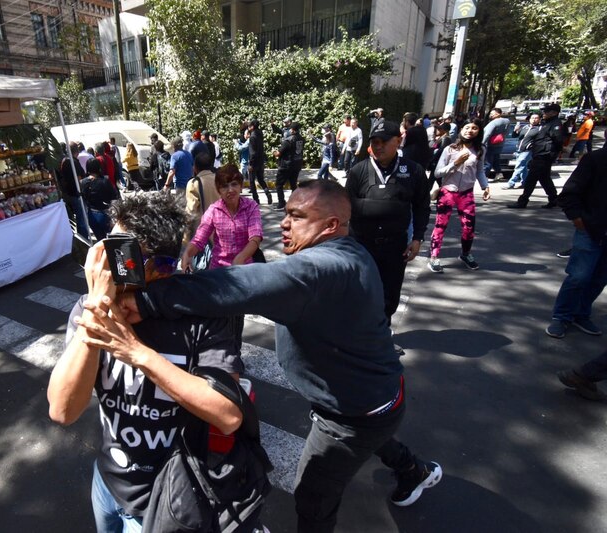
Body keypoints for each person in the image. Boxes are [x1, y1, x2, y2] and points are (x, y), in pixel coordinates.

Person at [115, 180, 442, 530]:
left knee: (313, 499)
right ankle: (414, 470)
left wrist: (147, 299)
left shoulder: (320, 270)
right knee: (376, 437)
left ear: (331, 225)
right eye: (286, 213)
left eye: (297, 216)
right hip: (378, 397)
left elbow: (240, 284)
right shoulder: (350, 252)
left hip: (351, 415)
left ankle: (411, 469)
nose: (284, 223)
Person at [47, 193, 244, 532]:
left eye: (118, 253)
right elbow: (63, 410)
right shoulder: (92, 307)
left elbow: (228, 415)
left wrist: (135, 352)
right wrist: (95, 309)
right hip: (107, 482)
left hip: (166, 495)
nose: (104, 262)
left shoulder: (200, 316)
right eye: (107, 246)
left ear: (156, 268)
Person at [345, 120, 431, 323]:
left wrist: (417, 238)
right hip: (361, 244)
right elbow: (345, 208)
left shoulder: (414, 171)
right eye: (374, 141)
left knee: (390, 293)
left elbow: (422, 207)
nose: (379, 146)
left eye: (384, 141)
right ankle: (359, 335)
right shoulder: (358, 171)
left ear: (399, 141)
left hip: (395, 245)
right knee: (360, 291)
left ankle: (383, 333)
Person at [544, 139, 607, 339]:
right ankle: (561, 316)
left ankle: (581, 314)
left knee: (599, 278)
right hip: (591, 230)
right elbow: (569, 195)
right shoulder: (595, 159)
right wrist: (579, 220)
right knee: (579, 276)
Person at [427, 119, 491, 273]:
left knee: (469, 227)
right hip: (448, 192)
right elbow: (437, 172)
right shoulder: (450, 148)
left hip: (466, 193)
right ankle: (434, 257)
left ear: (479, 131)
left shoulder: (480, 149)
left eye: (474, 128)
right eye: (467, 127)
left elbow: (480, 170)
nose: (470, 130)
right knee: (440, 226)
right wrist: (455, 163)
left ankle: (465, 254)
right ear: (461, 130)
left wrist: (485, 186)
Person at [182, 164, 263, 272]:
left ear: (241, 186)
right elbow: (199, 239)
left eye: (234, 184)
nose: (230, 190)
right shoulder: (214, 210)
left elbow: (255, 238)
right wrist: (187, 253)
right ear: (218, 190)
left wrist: (241, 257)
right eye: (225, 186)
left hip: (245, 270)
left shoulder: (251, 207)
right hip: (219, 272)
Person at [508, 103, 565, 209]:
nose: (544, 113)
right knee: (544, 178)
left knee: (531, 178)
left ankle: (523, 201)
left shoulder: (555, 124)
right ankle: (554, 199)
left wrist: (551, 154)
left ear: (554, 113)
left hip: (544, 156)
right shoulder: (547, 123)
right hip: (540, 155)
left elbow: (558, 141)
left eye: (547, 111)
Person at [81, 158, 119, 240]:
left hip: (91, 215)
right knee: (112, 241)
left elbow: (83, 198)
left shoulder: (83, 182)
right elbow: (114, 198)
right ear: (99, 167)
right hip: (105, 214)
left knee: (101, 241)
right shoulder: (105, 181)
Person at [57, 142, 89, 240]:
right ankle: (84, 239)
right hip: (76, 193)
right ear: (77, 151)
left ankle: (82, 238)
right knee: (82, 219)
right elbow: (79, 179)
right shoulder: (73, 161)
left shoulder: (64, 161)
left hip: (69, 193)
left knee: (79, 218)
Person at [503, 113, 541, 190]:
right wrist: (515, 130)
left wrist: (533, 146)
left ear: (539, 120)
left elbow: (541, 140)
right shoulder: (525, 127)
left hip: (528, 151)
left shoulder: (540, 129)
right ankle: (525, 183)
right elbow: (515, 136)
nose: (534, 120)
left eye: (536, 118)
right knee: (523, 168)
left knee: (519, 166)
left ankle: (511, 183)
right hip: (519, 150)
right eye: (532, 118)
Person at [184, 151, 220, 231]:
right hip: (221, 228)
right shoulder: (220, 180)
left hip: (203, 233)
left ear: (195, 167)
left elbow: (191, 210)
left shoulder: (194, 183)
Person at [272, 122, 304, 211]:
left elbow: (278, 153)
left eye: (290, 129)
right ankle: (295, 203)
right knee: (293, 184)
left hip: (286, 165)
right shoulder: (301, 139)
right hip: (297, 164)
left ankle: (281, 203)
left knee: (279, 184)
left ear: (293, 130)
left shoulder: (288, 141)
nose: (289, 130)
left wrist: (274, 153)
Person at [247, 119, 273, 205]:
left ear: (252, 127)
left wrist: (250, 164)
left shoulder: (252, 137)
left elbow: (252, 152)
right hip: (260, 161)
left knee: (251, 181)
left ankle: (256, 199)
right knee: (261, 179)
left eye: (249, 126)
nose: (248, 127)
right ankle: (267, 193)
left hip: (254, 162)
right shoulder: (260, 134)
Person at [481, 108, 510, 181]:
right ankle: (499, 173)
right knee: (496, 160)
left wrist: (482, 143)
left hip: (490, 144)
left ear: (498, 114)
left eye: (492, 113)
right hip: (500, 144)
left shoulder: (494, 123)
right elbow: (506, 133)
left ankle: (484, 177)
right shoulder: (507, 121)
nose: (491, 115)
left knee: (488, 161)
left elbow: (487, 134)